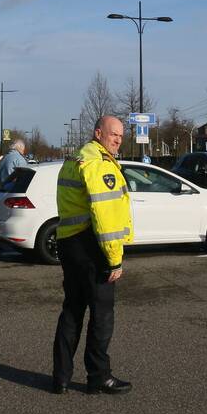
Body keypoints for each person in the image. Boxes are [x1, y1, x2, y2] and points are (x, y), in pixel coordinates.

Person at [51, 116, 134, 395]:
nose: (118, 140)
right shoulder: (100, 165)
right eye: (113, 135)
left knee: (72, 310)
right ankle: (99, 376)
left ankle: (60, 377)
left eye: (121, 136)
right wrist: (114, 260)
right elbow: (106, 217)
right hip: (92, 247)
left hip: (68, 243)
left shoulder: (74, 160)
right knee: (102, 315)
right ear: (98, 133)